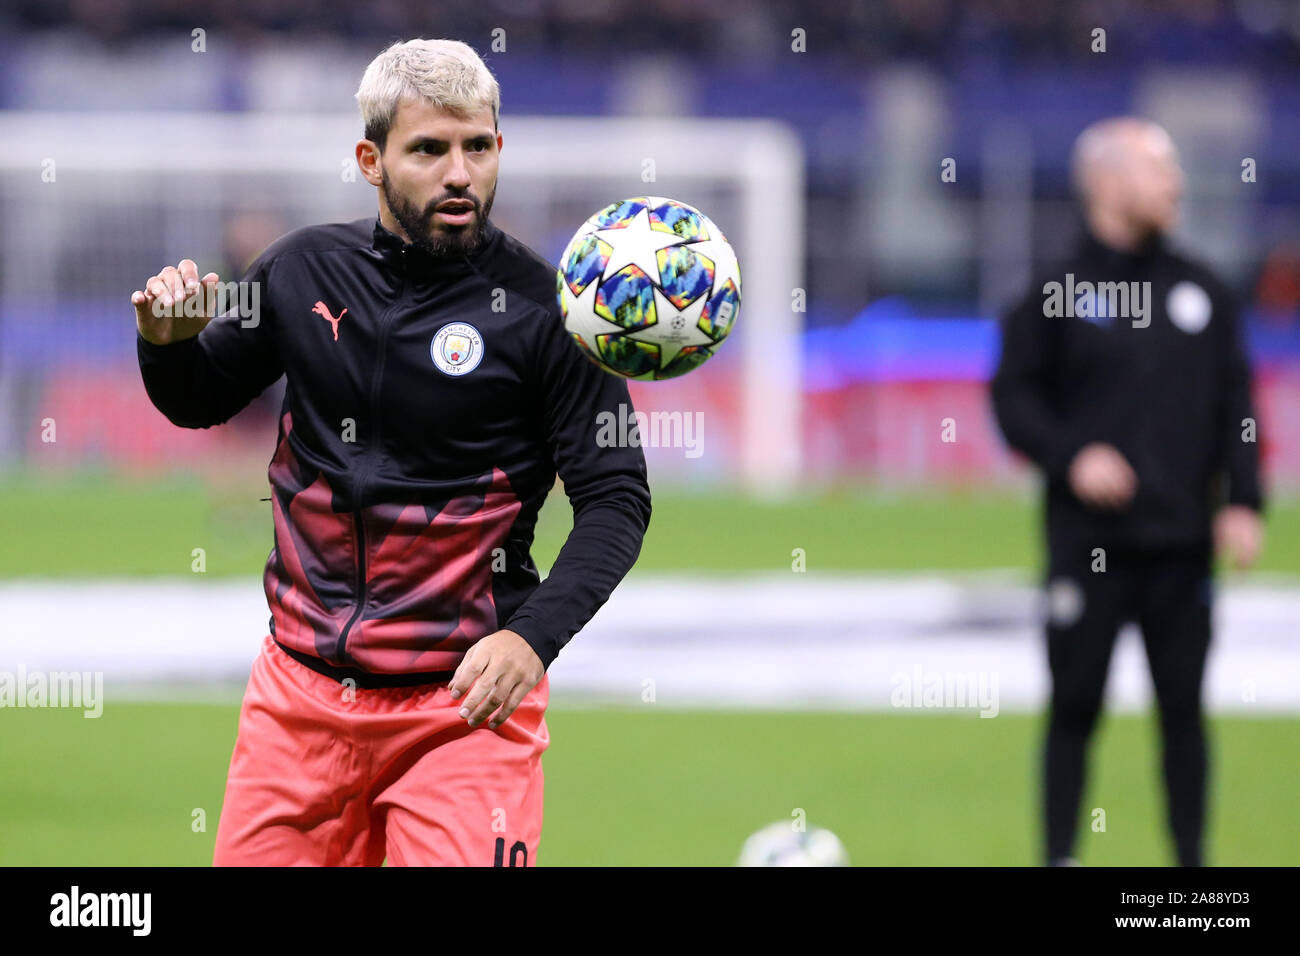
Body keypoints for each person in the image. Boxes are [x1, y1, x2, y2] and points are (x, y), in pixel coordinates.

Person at [132, 38, 651, 866]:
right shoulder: (301, 271)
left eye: (477, 147)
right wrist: (165, 343)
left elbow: (618, 498)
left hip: (464, 710)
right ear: (371, 160)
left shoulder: (551, 314)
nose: (459, 173)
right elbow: (197, 399)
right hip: (297, 702)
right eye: (429, 150)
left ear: (498, 149)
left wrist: (533, 638)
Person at [990, 117, 1265, 866]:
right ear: (1108, 183)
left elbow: (1236, 406)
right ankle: (1060, 856)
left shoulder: (1202, 291)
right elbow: (1012, 397)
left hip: (1182, 544)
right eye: (1158, 168)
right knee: (1075, 706)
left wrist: (1244, 500)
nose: (1175, 183)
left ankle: (1190, 873)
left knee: (1183, 712)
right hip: (1089, 543)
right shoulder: (1055, 292)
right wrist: (1071, 454)